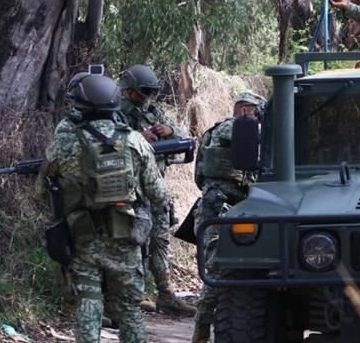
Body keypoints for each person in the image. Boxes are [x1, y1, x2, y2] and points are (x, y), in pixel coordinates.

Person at [41, 74, 167, 343]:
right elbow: (159, 195)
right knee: (130, 309)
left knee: (89, 302)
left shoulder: (65, 143)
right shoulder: (136, 141)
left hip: (84, 237)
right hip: (127, 237)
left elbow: (43, 191)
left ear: (80, 105)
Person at [117, 64, 196, 316]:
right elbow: (107, 140)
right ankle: (136, 292)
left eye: (151, 92)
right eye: (143, 92)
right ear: (129, 91)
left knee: (160, 239)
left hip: (156, 185)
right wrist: (138, 136)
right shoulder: (116, 113)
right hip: (131, 187)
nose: (147, 97)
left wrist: (169, 131)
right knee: (135, 239)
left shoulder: (153, 111)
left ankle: (165, 293)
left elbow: (183, 136)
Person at [191, 90, 267, 343]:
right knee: (217, 270)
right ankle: (201, 330)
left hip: (238, 206)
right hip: (220, 207)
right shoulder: (229, 129)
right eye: (258, 113)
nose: (259, 119)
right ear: (246, 111)